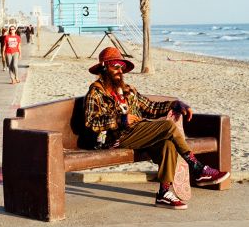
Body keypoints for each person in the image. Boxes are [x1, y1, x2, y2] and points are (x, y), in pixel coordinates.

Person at [84, 47, 230, 210]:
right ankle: (197, 167)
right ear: (104, 68)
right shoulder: (96, 92)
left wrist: (175, 104)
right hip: (116, 138)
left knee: (167, 145)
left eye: (121, 66)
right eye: (115, 66)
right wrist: (120, 119)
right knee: (168, 126)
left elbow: (151, 107)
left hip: (138, 132)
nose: (120, 70)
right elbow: (90, 122)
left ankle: (163, 193)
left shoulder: (128, 90)